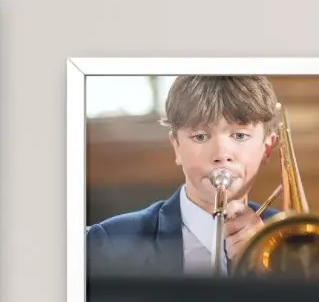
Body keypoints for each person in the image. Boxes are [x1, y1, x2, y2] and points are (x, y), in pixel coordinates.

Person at [84, 76, 286, 276]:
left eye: (240, 135)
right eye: (200, 136)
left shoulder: (291, 242)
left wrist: (268, 267)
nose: (221, 155)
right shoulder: (110, 242)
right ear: (177, 147)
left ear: (267, 147)